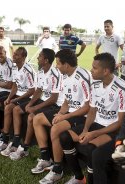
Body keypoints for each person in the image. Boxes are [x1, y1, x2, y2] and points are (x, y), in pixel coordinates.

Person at [59, 52, 125, 184]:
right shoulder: (95, 85)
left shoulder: (122, 88)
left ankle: (91, 181)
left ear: (105, 71)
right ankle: (79, 178)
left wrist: (93, 134)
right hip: (96, 124)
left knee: (91, 148)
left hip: (113, 129)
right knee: (64, 136)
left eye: (94, 68)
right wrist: (86, 130)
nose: (91, 70)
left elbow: (120, 122)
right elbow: (92, 110)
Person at [33, 49, 91, 184]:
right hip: (70, 113)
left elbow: (88, 107)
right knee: (37, 119)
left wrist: (65, 117)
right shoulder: (64, 76)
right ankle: (46, 159)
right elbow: (66, 101)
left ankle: (58, 170)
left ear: (66, 64)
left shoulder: (83, 76)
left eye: (58, 63)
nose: (56, 66)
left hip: (83, 115)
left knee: (55, 128)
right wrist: (60, 113)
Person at [2, 48, 63, 160]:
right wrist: (30, 104)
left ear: (46, 60)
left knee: (31, 117)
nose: (37, 58)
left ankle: (24, 148)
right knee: (16, 110)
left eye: (39, 56)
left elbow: (54, 98)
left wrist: (35, 107)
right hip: (43, 100)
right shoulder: (40, 72)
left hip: (53, 104)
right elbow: (38, 90)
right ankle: (15, 142)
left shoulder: (55, 73)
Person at [0, 47, 35, 153]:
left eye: (17, 55)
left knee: (11, 108)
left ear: (23, 57)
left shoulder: (28, 69)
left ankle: (14, 140)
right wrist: (10, 98)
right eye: (14, 54)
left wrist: (16, 99)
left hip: (28, 97)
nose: (13, 56)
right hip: (18, 95)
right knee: (8, 106)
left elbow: (32, 90)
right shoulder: (15, 68)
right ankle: (5, 138)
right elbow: (14, 85)